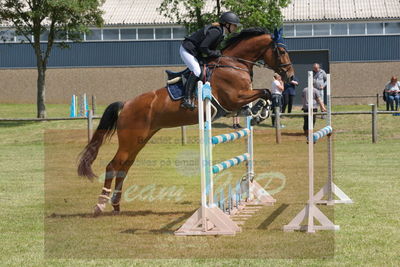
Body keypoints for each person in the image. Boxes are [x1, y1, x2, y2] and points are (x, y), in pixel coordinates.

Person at [179, 12, 241, 110]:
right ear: (227, 24)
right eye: (234, 25)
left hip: (196, 52)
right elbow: (204, 47)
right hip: (187, 50)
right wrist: (215, 53)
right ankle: (186, 99)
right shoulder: (216, 32)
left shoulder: (221, 33)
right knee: (197, 71)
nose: (236, 28)